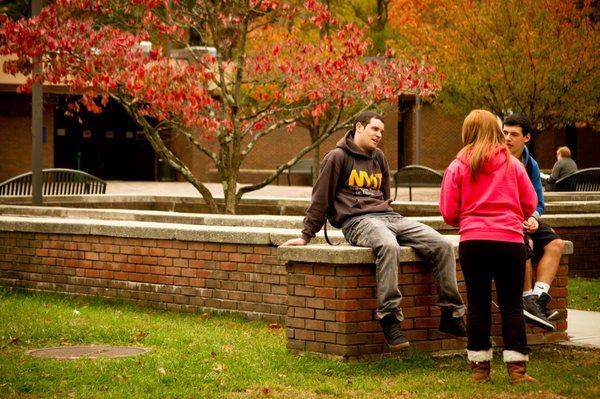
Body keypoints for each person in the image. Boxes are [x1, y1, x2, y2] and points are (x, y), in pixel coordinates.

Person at [280, 111, 466, 350]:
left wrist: (387, 215)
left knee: (441, 244)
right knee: (388, 246)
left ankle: (451, 314)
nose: (379, 135)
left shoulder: (379, 158)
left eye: (381, 131)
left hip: (388, 217)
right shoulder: (336, 157)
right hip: (357, 222)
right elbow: (320, 198)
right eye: (375, 129)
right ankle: (389, 318)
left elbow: (385, 196)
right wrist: (306, 235)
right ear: (359, 127)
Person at [440, 109, 538, 384]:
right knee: (511, 305)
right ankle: (517, 371)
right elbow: (530, 204)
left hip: (474, 242)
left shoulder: (458, 165)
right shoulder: (512, 164)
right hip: (509, 242)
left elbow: (448, 212)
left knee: (478, 306)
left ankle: (480, 370)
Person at [503, 114, 565, 331]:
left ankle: (538, 300)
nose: (507, 138)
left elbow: (539, 201)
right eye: (505, 133)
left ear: (527, 137)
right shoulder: (496, 160)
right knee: (525, 245)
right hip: (506, 221)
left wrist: (533, 218)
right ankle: (527, 300)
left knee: (557, 244)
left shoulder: (531, 165)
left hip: (527, 219)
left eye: (513, 134)